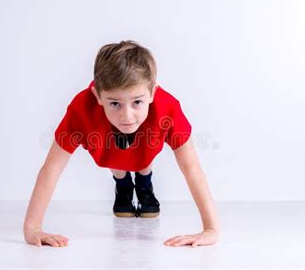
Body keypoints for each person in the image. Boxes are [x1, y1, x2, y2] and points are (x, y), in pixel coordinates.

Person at [23, 40, 220, 248]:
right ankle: (123, 184)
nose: (127, 116)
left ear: (152, 93)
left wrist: (211, 229)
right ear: (97, 96)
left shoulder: (168, 108)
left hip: (146, 147)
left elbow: (192, 168)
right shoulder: (81, 110)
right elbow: (52, 168)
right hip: (108, 150)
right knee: (116, 154)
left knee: (142, 155)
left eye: (137, 102)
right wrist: (32, 227)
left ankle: (144, 183)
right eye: (115, 103)